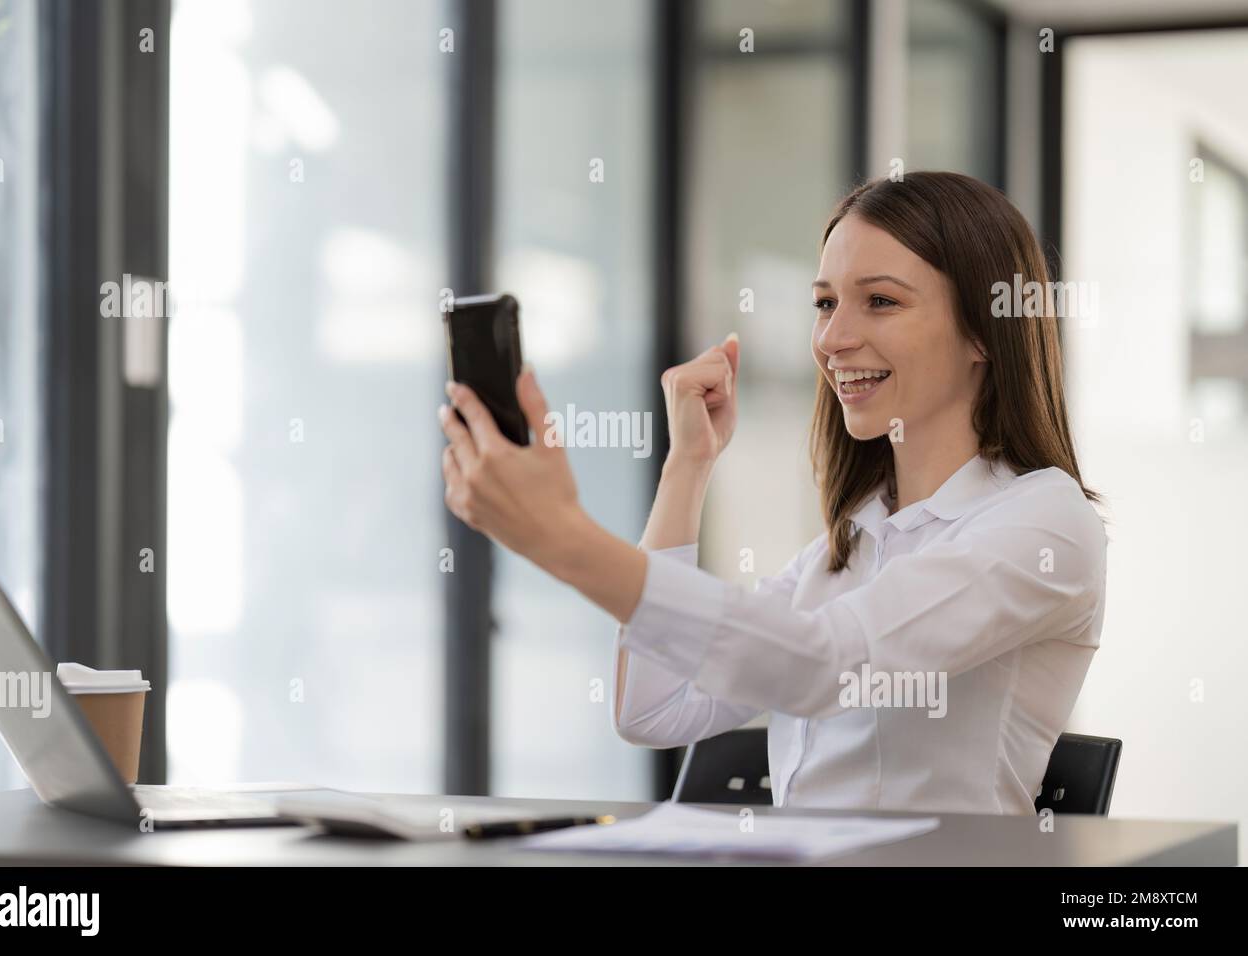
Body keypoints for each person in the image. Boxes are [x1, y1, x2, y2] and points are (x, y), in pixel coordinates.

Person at [437, 171, 1107, 815]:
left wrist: (562, 538)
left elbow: (824, 666)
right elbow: (653, 707)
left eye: (880, 300)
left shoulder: (1045, 524)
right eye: (824, 303)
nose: (833, 339)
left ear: (985, 331)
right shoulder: (844, 546)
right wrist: (688, 466)